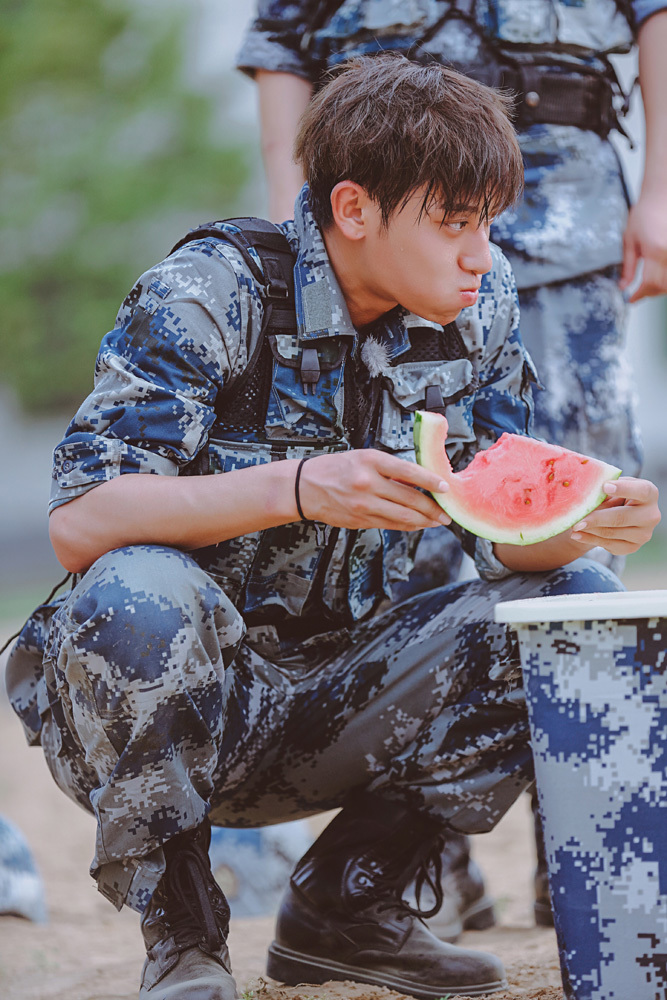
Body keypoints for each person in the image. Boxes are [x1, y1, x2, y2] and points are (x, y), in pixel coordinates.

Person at [5, 56, 661, 1000]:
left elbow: (502, 534)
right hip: (172, 700)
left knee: (576, 607)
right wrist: (301, 486)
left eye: (487, 223)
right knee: (134, 586)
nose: (480, 253)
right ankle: (182, 935)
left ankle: (348, 908)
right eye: (453, 222)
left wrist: (589, 520)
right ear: (352, 209)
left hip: (339, 697)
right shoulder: (212, 291)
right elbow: (83, 522)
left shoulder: (480, 308)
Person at [236, 0, 667, 931]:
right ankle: (412, 864)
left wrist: (661, 188)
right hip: (382, 204)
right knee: (409, 538)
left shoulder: (499, 260)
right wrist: (294, 223)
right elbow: (283, 42)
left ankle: (582, 853)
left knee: (579, 557)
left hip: (567, 203)